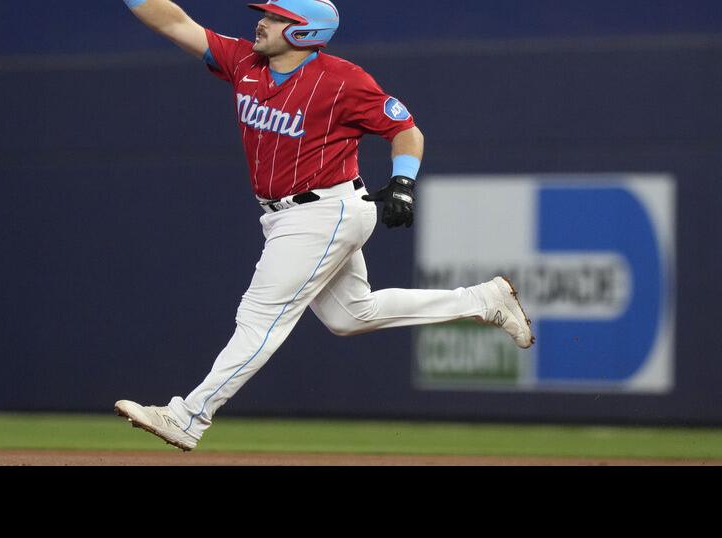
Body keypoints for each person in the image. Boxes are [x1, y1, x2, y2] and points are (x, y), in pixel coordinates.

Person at [114, 0, 534, 451]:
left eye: (277, 18)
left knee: (259, 319)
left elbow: (406, 129)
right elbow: (176, 22)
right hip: (286, 215)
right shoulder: (245, 62)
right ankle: (482, 300)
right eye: (267, 13)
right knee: (351, 315)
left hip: (326, 211)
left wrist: (404, 182)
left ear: (304, 33)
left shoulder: (343, 80)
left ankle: (188, 416)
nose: (262, 21)